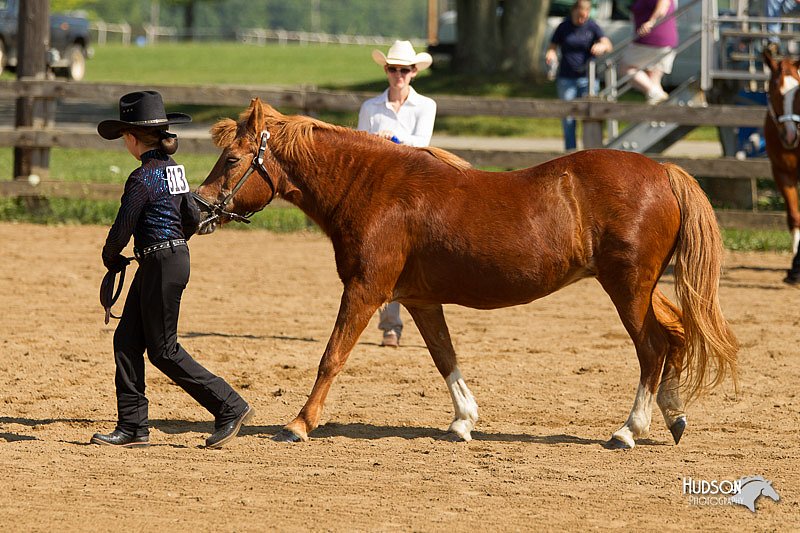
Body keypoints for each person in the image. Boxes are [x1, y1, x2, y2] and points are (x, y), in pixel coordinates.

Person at [91, 91, 253, 448]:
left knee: (164, 350)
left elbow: (123, 227)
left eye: (123, 137)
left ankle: (229, 405)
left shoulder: (141, 178)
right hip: (166, 260)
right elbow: (192, 218)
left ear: (132, 138)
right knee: (127, 341)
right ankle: (133, 427)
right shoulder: (174, 173)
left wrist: (110, 256)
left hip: (159, 262)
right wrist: (172, 246)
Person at [358, 40, 436, 348]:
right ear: (386, 71)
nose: (398, 75)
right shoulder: (371, 108)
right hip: (381, 189)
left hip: (415, 187)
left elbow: (421, 144)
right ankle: (390, 325)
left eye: (404, 70)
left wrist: (388, 139)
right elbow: (362, 147)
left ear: (414, 72)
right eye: (393, 69)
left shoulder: (425, 106)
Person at [546, 0, 613, 151]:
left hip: (588, 78)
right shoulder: (564, 26)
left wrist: (601, 45)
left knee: (591, 115)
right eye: (579, 16)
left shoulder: (592, 26)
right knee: (568, 117)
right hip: (566, 78)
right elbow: (552, 47)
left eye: (585, 16)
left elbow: (608, 45)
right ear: (574, 11)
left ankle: (591, 151)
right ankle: (570, 151)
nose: (582, 19)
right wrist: (551, 55)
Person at [619, 0, 678, 105]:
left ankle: (654, 93)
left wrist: (651, 21)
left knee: (625, 67)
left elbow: (663, 6)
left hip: (650, 40)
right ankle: (661, 116)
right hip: (664, 41)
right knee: (653, 81)